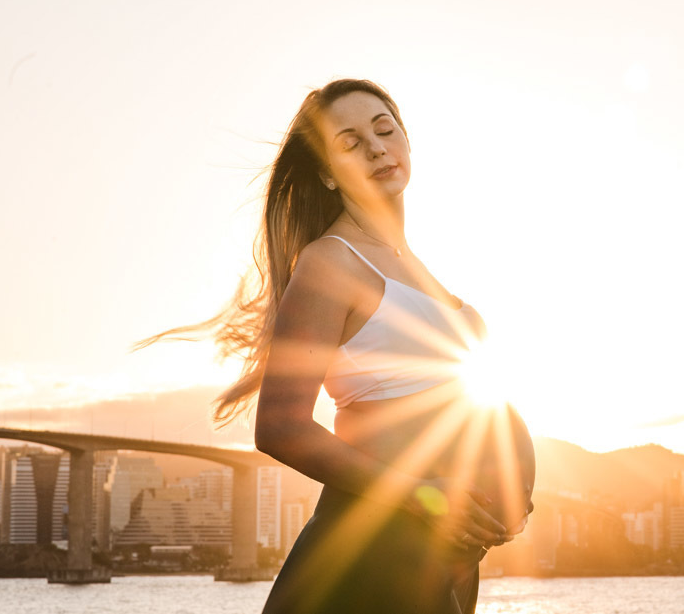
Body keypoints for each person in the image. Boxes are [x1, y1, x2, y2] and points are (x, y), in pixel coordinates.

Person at [140, 78, 535, 613]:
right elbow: (280, 428)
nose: (375, 147)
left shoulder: (423, 273)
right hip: (372, 553)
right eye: (349, 142)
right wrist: (425, 496)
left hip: (440, 558)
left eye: (383, 129)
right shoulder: (331, 262)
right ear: (327, 173)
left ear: (406, 141)